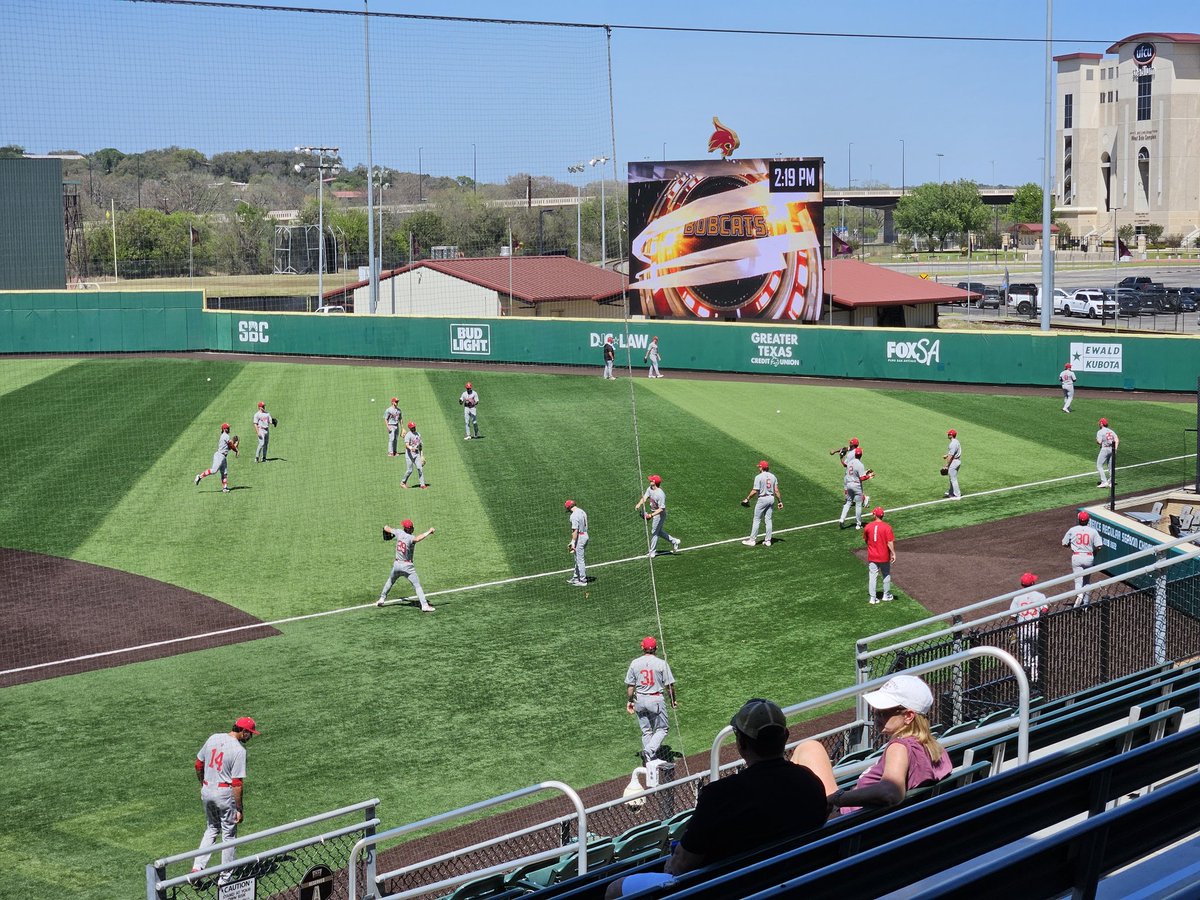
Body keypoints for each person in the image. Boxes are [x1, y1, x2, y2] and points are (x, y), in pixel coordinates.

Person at [606, 698, 827, 899]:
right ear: (785, 737)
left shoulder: (720, 795)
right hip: (798, 884)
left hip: (725, 889)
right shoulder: (811, 783)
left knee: (614, 889)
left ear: (741, 744)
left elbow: (680, 866)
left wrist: (670, 866)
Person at [792, 674, 951, 818]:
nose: (876, 714)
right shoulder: (934, 747)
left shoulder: (899, 747)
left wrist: (838, 798)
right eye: (876, 710)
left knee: (809, 748)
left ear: (909, 716)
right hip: (877, 824)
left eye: (884, 711)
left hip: (846, 823)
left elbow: (891, 793)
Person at [191, 716, 260, 879]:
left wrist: (203, 784)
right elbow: (237, 783)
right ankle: (225, 878)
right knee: (229, 835)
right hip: (224, 794)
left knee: (212, 828)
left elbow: (198, 764)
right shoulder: (239, 750)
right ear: (242, 731)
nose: (250, 737)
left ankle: (197, 869)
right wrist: (239, 808)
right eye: (249, 733)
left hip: (207, 790)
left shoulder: (214, 737)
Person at [625, 636, 677, 765]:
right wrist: (673, 700)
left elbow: (631, 687)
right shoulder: (661, 663)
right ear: (656, 648)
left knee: (646, 730)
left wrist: (630, 701)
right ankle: (649, 751)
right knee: (662, 728)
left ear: (642, 647)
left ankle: (650, 760)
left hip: (640, 700)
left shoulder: (634, 663)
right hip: (655, 699)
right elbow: (669, 686)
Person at [377, 519, 436, 612]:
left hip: (397, 565)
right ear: (410, 529)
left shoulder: (399, 532)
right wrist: (429, 531)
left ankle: (382, 599)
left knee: (390, 581)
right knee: (417, 586)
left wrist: (385, 528)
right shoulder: (411, 538)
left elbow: (387, 528)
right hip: (407, 567)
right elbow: (417, 539)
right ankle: (424, 605)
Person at [1009, 573, 1048, 681]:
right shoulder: (1040, 596)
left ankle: (1027, 677)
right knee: (1035, 653)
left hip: (1023, 629)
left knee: (1026, 656)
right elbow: (1045, 610)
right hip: (1035, 629)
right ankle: (1035, 677)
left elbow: (1012, 616)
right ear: (1033, 583)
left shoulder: (1017, 598)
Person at [1063, 510, 1103, 607]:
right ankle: (1086, 604)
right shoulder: (1093, 531)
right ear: (1088, 520)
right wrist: (1094, 553)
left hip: (1076, 556)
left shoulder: (1072, 530)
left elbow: (1064, 543)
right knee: (1086, 581)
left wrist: (1072, 546)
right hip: (1089, 557)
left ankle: (1079, 595)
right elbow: (1099, 546)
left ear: (1078, 520)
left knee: (1078, 580)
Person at [635, 474, 681, 556]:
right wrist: (639, 504)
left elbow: (661, 509)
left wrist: (651, 515)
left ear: (655, 482)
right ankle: (675, 541)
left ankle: (652, 552)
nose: (649, 480)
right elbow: (645, 497)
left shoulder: (660, 494)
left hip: (660, 515)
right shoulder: (650, 489)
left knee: (654, 532)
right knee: (658, 532)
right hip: (655, 513)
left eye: (651, 480)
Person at [742, 460, 783, 547]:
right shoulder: (773, 477)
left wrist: (747, 498)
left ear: (761, 468)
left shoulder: (758, 477)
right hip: (771, 498)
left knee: (757, 519)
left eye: (759, 467)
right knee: (768, 520)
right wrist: (779, 501)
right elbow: (776, 490)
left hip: (762, 499)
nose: (758, 468)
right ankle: (768, 541)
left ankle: (752, 540)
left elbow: (754, 491)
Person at [863, 506, 896, 605]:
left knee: (873, 576)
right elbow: (889, 542)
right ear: (883, 515)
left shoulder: (868, 526)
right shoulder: (887, 527)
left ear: (874, 515)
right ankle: (886, 595)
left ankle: (873, 598)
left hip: (872, 555)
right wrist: (893, 553)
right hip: (884, 556)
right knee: (886, 574)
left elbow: (866, 540)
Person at [195, 423, 238, 493]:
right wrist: (236, 450)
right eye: (227, 428)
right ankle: (199, 476)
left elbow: (229, 447)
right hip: (219, 456)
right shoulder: (225, 436)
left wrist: (234, 445)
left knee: (224, 473)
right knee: (214, 470)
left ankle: (225, 488)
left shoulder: (225, 436)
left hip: (223, 457)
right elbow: (230, 445)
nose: (229, 429)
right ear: (224, 429)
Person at [839, 448, 869, 529]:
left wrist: (841, 457)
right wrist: (868, 476)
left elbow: (845, 465)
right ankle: (858, 524)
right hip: (856, 486)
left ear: (855, 454)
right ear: (861, 455)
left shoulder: (850, 463)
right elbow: (862, 478)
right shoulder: (860, 464)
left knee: (848, 503)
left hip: (848, 485)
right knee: (858, 505)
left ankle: (841, 520)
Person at [565, 500, 589, 586]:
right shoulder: (582, 511)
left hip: (580, 537)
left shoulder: (574, 516)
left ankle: (583, 580)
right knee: (578, 558)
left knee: (580, 560)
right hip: (585, 534)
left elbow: (575, 530)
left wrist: (573, 542)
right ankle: (575, 578)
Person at [401, 421, 426, 488]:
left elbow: (420, 446)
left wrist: (422, 455)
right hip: (409, 455)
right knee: (410, 470)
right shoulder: (408, 435)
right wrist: (411, 448)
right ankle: (403, 483)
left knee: (420, 468)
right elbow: (406, 445)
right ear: (410, 428)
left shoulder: (418, 434)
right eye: (412, 427)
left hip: (417, 454)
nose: (414, 428)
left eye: (414, 427)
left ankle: (422, 484)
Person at [1096, 417, 1119, 488]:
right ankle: (1112, 481)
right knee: (1110, 466)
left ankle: (1104, 481)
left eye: (1100, 423)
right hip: (1112, 449)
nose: (1099, 424)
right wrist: (1115, 449)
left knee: (1099, 465)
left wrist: (1096, 440)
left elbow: (1099, 442)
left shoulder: (1100, 432)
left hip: (1105, 449)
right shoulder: (1111, 431)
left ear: (1102, 424)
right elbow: (1117, 439)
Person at [943, 428, 962, 500]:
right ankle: (951, 492)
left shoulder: (953, 443)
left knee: (953, 478)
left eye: (949, 434)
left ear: (952, 435)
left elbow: (951, 456)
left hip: (954, 462)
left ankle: (957, 495)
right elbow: (952, 453)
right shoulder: (956, 441)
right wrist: (947, 455)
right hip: (956, 461)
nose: (948, 434)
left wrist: (946, 465)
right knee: (952, 477)